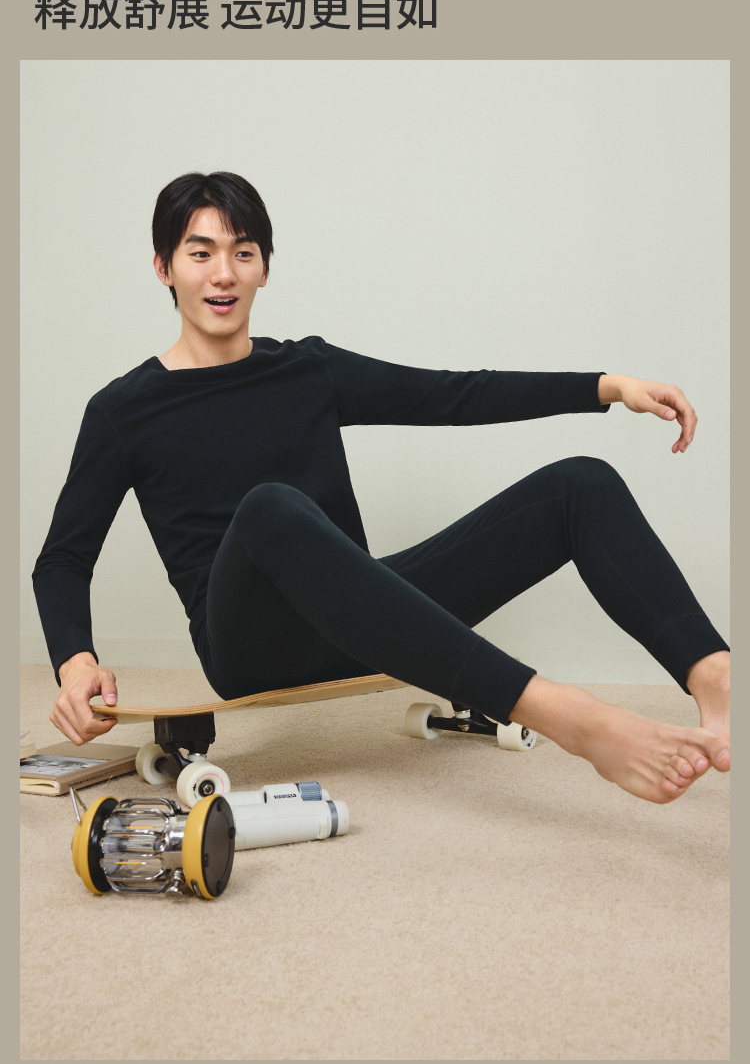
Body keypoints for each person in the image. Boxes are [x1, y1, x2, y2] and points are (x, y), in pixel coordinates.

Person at [34, 171, 730, 805]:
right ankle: (566, 714)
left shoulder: (308, 369)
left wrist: (607, 387)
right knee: (271, 507)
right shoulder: (123, 410)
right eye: (200, 253)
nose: (224, 273)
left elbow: (453, 394)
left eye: (243, 253)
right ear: (163, 267)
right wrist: (75, 662)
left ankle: (718, 682)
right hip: (250, 646)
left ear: (265, 268)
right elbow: (63, 557)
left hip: (369, 624)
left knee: (580, 484)